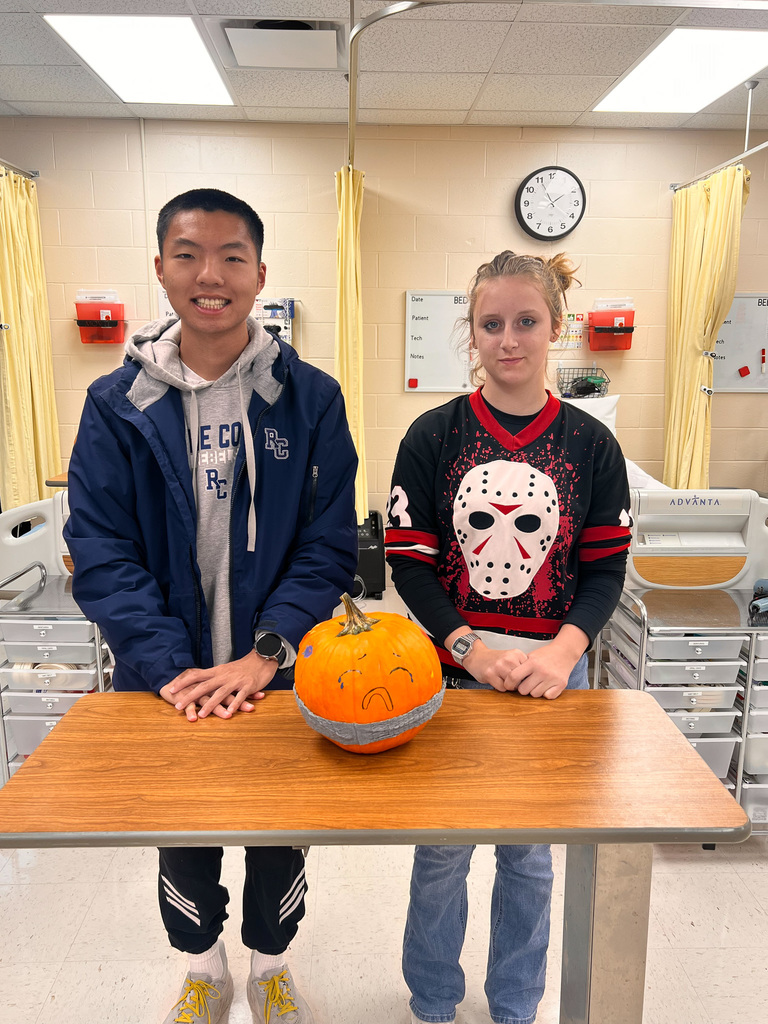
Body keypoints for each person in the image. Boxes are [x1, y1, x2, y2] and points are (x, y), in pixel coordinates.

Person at [64, 188, 358, 1024]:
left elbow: (328, 545)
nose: (211, 275)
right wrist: (172, 670)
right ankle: (203, 969)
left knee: (280, 840)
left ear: (260, 274)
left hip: (278, 675)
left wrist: (267, 653)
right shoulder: (116, 405)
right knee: (183, 846)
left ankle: (270, 967)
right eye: (189, 255)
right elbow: (101, 550)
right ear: (161, 269)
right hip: (171, 682)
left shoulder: (310, 399)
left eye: (233, 256)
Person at [384, 251, 632, 1024]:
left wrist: (562, 654)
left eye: (526, 321)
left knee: (529, 858)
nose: (509, 339)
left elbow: (604, 571)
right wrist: (473, 650)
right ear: (473, 333)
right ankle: (433, 1002)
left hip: (552, 680)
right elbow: (410, 564)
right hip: (454, 677)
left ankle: (516, 1006)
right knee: (442, 855)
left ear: (557, 326)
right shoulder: (433, 436)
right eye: (491, 323)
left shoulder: (592, 447)